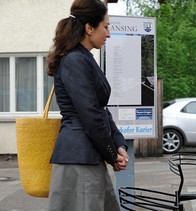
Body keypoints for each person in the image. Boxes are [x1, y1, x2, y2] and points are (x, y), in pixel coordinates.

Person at [46, 0, 129, 210]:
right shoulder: (75, 60)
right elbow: (90, 114)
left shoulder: (84, 58)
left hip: (88, 156)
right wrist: (112, 155)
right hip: (79, 158)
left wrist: (118, 144)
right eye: (106, 26)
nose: (108, 34)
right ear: (89, 28)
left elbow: (100, 109)